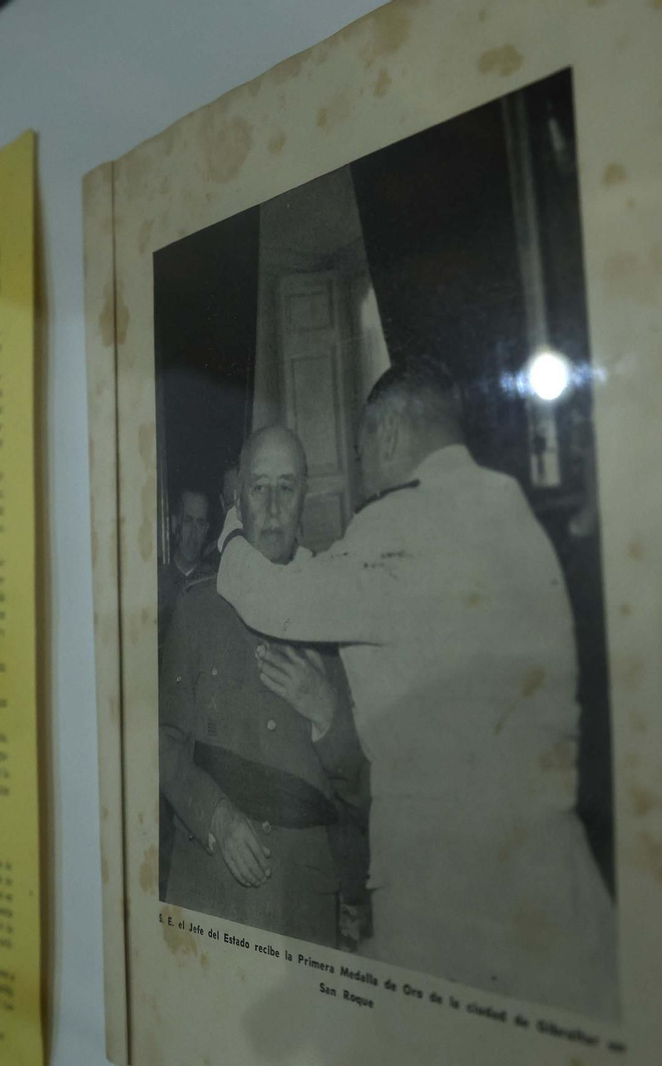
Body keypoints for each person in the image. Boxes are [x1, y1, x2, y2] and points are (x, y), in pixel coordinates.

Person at [215, 360, 618, 1018]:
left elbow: (275, 601)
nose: (362, 466)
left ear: (391, 435)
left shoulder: (401, 523)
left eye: (361, 450)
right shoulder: (511, 513)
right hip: (552, 868)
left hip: (450, 881)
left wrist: (233, 528)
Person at [159, 426, 365, 946]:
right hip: (210, 899)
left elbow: (365, 786)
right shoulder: (197, 608)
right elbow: (159, 743)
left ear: (305, 499)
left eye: (286, 488)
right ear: (238, 501)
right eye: (259, 488)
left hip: (302, 910)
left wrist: (328, 713)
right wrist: (214, 817)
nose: (272, 507)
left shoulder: (339, 617)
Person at [158, 487, 212, 637]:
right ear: (174, 524)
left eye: (200, 523)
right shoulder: (158, 582)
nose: (194, 533)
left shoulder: (214, 582)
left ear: (206, 529)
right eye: (188, 521)